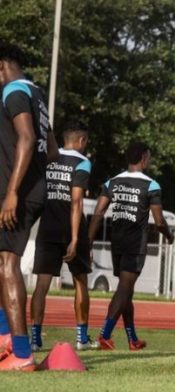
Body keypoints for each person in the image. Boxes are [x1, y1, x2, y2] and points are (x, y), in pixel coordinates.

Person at [0, 44, 59, 371]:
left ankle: (21, 354)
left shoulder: (13, 91)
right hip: (35, 188)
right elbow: (51, 151)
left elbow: (25, 138)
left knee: (7, 263)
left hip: (18, 192)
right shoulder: (37, 95)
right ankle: (5, 339)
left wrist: (12, 191)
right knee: (1, 262)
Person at [89, 142, 174, 351]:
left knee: (126, 290)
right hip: (135, 243)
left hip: (116, 243)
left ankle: (133, 339)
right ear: (144, 158)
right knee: (124, 289)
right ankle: (104, 335)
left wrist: (87, 241)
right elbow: (159, 221)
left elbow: (99, 212)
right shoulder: (151, 185)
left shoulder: (112, 182)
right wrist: (169, 236)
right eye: (150, 157)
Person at [30, 122, 98, 352]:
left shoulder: (48, 157)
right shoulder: (82, 162)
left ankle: (35, 340)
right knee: (80, 281)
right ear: (81, 141)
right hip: (71, 230)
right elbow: (76, 201)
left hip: (47, 228)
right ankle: (81, 338)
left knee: (42, 285)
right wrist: (76, 238)